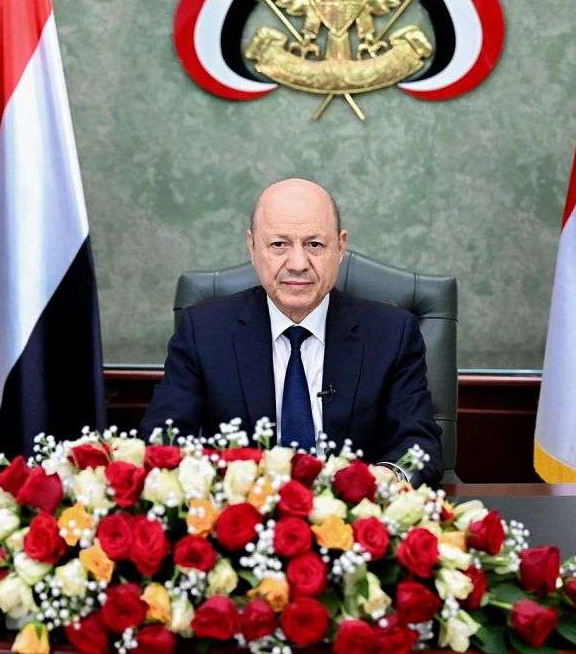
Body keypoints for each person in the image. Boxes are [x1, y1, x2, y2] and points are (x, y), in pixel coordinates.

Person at [140, 178, 443, 486]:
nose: (298, 263)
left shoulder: (392, 334)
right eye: (279, 244)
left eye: (314, 244)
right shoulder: (203, 331)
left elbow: (419, 446)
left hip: (354, 511)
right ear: (252, 247)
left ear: (340, 247)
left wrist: (384, 482)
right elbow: (163, 439)